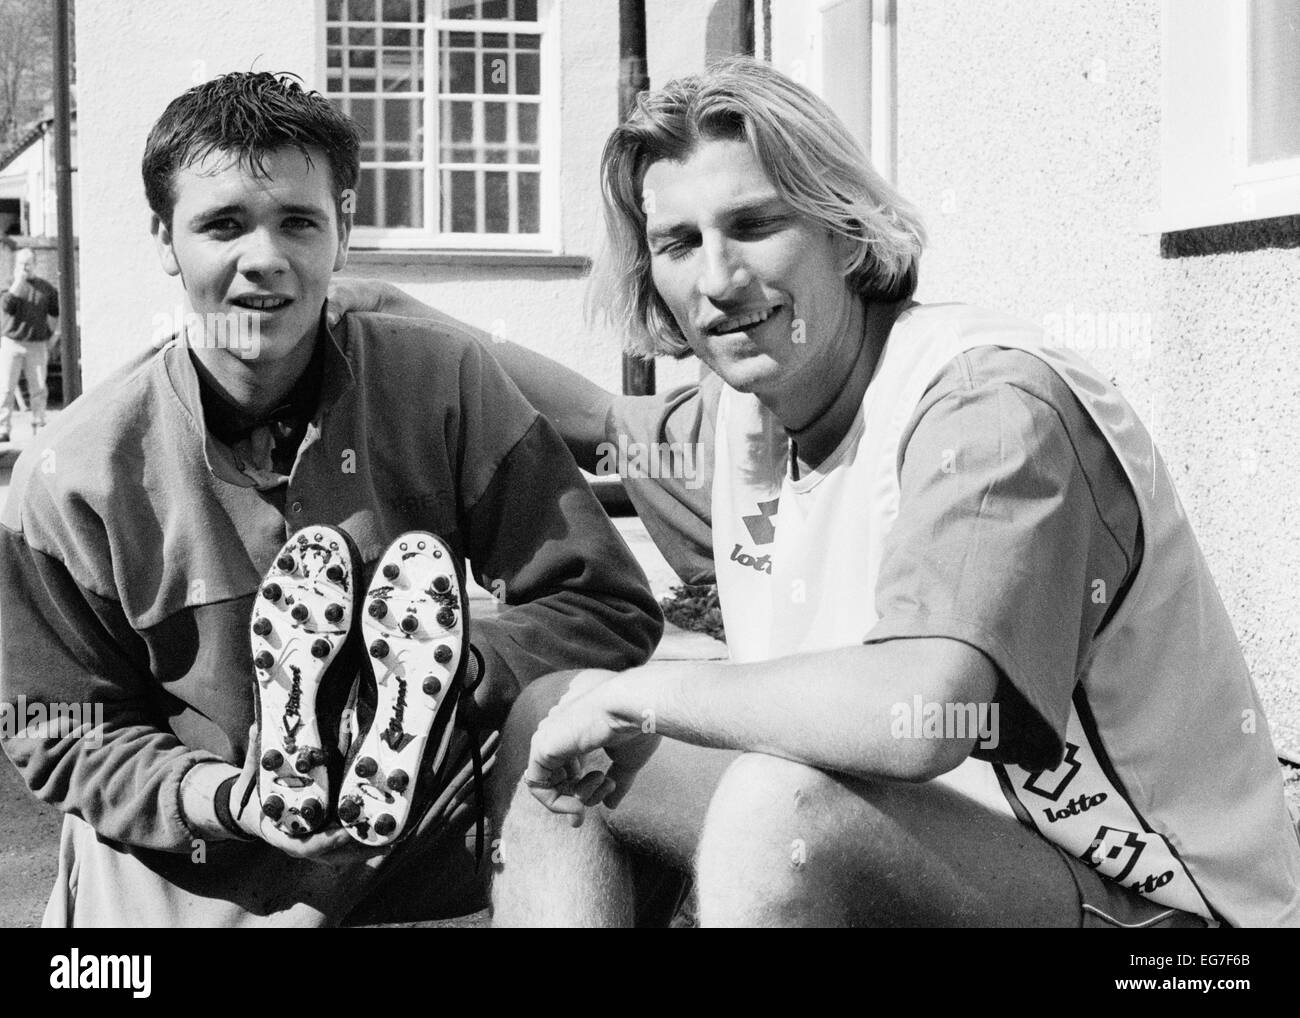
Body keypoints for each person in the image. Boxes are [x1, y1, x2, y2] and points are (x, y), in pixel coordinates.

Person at [333, 58, 1300, 927]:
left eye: (755, 225)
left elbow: (925, 709)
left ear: (844, 230)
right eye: (676, 242)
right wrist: (393, 314)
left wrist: (658, 694)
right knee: (556, 724)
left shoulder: (989, 407)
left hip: (1168, 921)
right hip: (955, 857)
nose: (717, 278)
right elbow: (596, 420)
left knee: (775, 813)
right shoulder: (752, 412)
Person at [0, 71, 662, 927]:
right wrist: (225, 800)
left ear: (342, 232)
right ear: (165, 239)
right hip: (199, 846)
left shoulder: (447, 384)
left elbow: (602, 603)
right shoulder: (71, 475)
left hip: (420, 811)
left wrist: (459, 667)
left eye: (299, 222)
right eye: (223, 225)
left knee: (639, 784)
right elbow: (63, 731)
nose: (265, 258)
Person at [0, 247, 59, 442]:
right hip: (11, 342)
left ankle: (39, 425)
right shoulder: (9, 285)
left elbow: (54, 314)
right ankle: (3, 428)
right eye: (21, 263)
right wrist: (19, 282)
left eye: (28, 263)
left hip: (36, 344)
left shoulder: (46, 289)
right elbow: (6, 306)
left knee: (38, 389)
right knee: (6, 388)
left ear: (35, 264)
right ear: (15, 265)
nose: (25, 267)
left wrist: (51, 336)